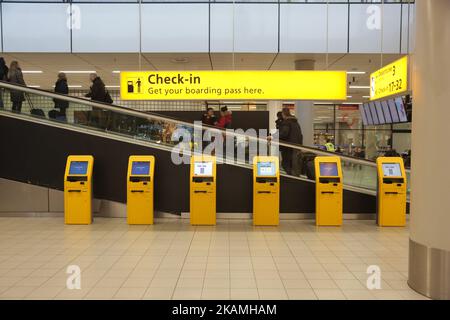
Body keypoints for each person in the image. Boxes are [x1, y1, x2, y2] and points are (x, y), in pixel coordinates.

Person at [278, 107, 303, 175]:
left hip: (288, 147)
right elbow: (300, 135)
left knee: (286, 164)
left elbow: (284, 134)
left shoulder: (286, 122)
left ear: (283, 114)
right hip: (297, 147)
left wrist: (273, 137)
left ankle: (291, 178)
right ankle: (295, 177)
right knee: (295, 164)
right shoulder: (296, 123)